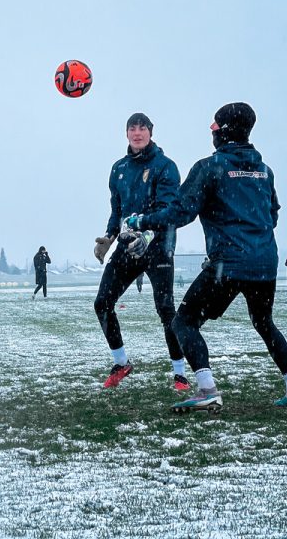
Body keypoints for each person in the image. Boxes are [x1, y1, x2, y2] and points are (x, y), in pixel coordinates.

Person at [125, 102, 287, 412]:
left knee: (184, 322)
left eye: (213, 128)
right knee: (264, 322)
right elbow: (272, 215)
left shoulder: (210, 167)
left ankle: (207, 389)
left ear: (222, 132)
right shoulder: (264, 170)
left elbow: (180, 213)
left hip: (228, 262)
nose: (211, 133)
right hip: (264, 262)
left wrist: (140, 222)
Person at [92, 113, 190, 391]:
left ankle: (180, 374)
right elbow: (117, 210)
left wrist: (147, 234)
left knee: (165, 309)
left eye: (142, 128)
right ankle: (121, 363)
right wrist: (109, 238)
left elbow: (167, 210)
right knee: (102, 303)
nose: (137, 133)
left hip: (158, 247)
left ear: (150, 132)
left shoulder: (165, 166)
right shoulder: (118, 168)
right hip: (127, 246)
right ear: (126, 134)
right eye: (132, 128)